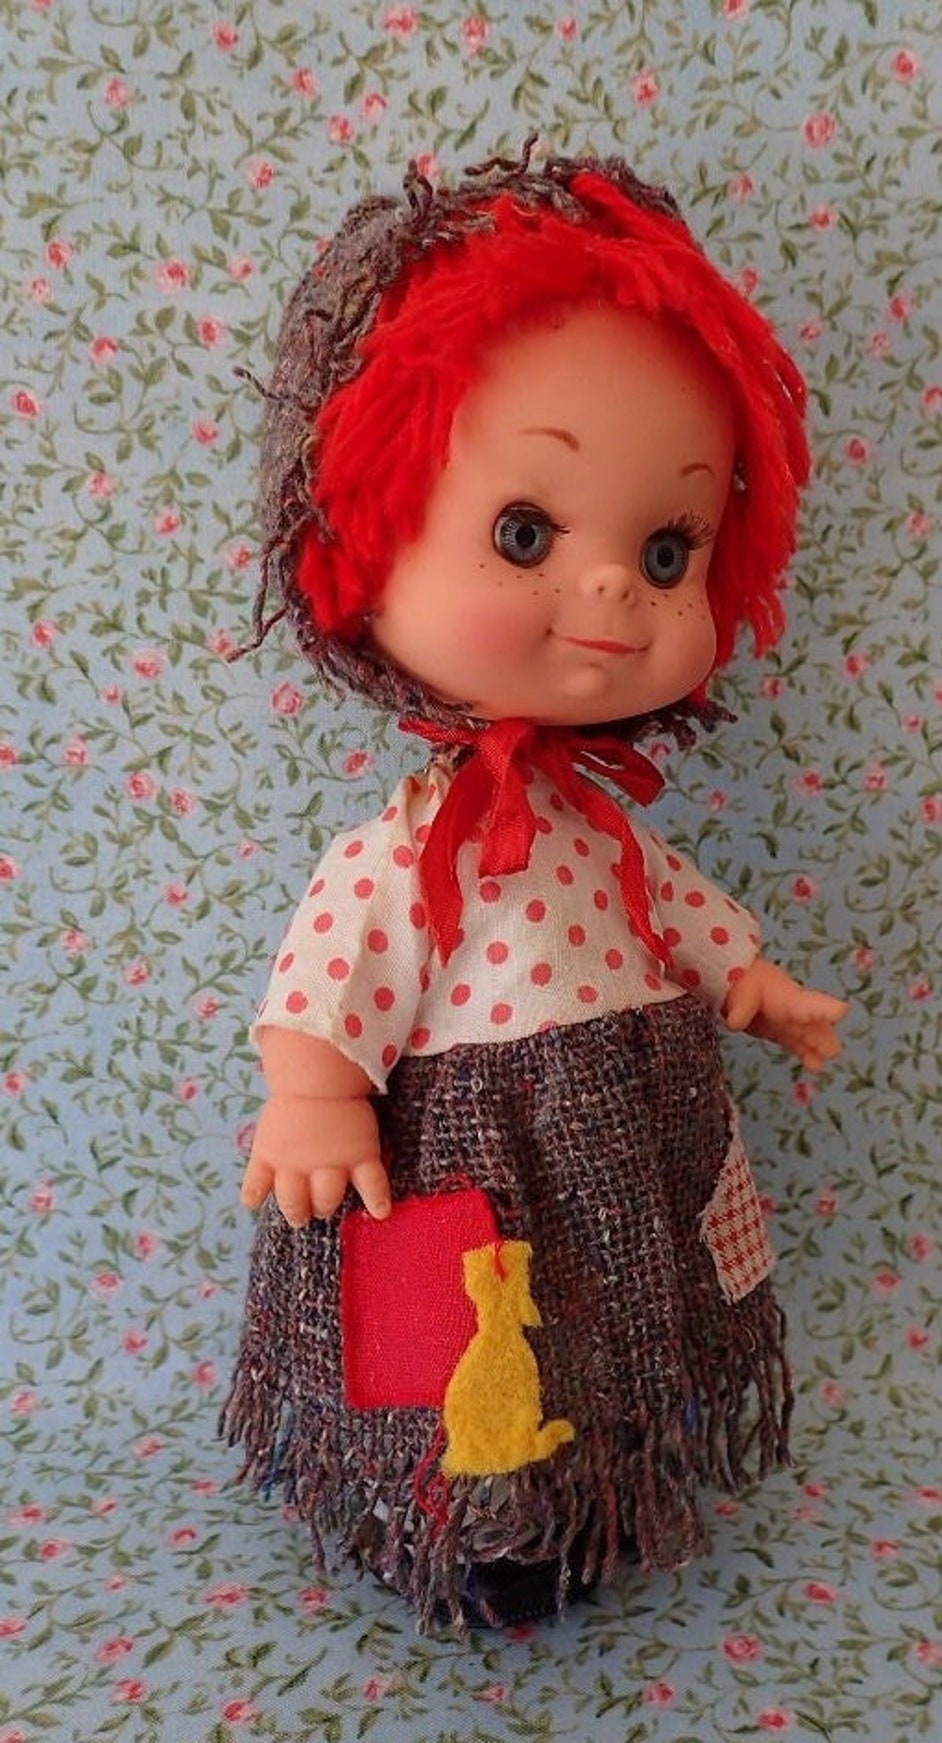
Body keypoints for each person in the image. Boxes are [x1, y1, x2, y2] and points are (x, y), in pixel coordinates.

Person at [222, 142, 848, 1633]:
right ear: (362, 537)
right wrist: (315, 1091)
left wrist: (752, 985)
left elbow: (669, 912)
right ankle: (475, 1525)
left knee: (620, 1322)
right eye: (526, 533)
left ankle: (611, 1481)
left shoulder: (599, 826)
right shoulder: (406, 846)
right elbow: (338, 962)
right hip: (467, 1139)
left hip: (633, 1114)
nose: (618, 589)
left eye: (668, 548)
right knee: (470, 1354)